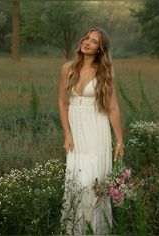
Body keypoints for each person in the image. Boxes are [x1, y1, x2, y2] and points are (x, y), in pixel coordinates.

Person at [58, 27, 124, 235]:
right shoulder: (67, 68)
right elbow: (62, 102)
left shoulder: (105, 71)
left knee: (91, 184)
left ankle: (94, 231)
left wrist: (120, 141)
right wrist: (67, 134)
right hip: (76, 135)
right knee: (76, 183)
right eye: (86, 37)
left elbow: (113, 107)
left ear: (100, 49)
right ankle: (75, 231)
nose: (87, 42)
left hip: (97, 132)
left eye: (94, 41)